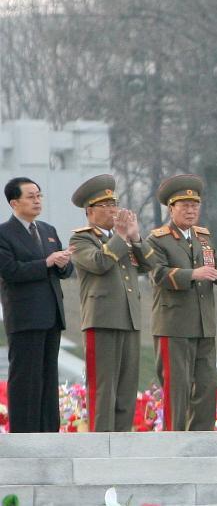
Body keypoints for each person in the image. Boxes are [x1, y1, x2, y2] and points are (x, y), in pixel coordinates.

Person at [146, 175, 217, 431]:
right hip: (174, 325)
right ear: (171, 208)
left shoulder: (203, 236)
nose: (191, 210)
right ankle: (174, 439)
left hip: (203, 323)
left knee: (207, 386)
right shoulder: (157, 239)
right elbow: (158, 274)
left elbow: (216, 261)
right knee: (177, 388)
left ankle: (201, 438)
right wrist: (193, 274)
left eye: (195, 205)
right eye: (184, 205)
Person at [70, 174, 152, 432]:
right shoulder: (81, 239)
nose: (112, 210)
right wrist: (121, 236)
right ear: (89, 211)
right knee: (103, 387)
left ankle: (121, 439)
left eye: (114, 204)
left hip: (129, 318)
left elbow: (149, 265)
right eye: (105, 205)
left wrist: (135, 237)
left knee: (127, 387)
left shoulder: (123, 239)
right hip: (102, 319)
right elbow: (100, 262)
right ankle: (101, 440)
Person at [0, 177, 73, 432]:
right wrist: (47, 263)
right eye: (30, 196)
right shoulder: (4, 233)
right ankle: (25, 433)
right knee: (26, 378)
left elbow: (64, 270)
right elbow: (10, 271)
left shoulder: (47, 230)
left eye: (39, 195)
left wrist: (64, 263)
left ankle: (49, 432)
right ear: (14, 203)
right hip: (25, 317)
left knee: (49, 376)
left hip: (52, 314)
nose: (37, 201)